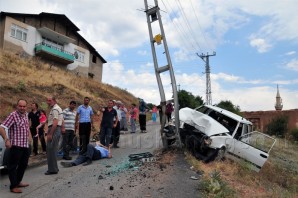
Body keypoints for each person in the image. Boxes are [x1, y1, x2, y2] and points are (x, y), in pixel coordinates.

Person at [0, 99, 30, 193]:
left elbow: (26, 127)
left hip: (25, 145)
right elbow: (2, 127)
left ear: (26, 107)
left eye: (24, 106)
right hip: (16, 146)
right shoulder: (13, 115)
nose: (22, 108)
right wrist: (6, 139)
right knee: (13, 166)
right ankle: (13, 186)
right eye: (20, 106)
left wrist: (29, 138)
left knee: (23, 165)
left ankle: (18, 181)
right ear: (17, 106)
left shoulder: (26, 114)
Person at [45, 96, 63, 175]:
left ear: (54, 101)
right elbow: (61, 120)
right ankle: (55, 168)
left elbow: (55, 122)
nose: (48, 102)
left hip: (54, 129)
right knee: (53, 149)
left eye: (50, 100)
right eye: (47, 101)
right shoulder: (57, 108)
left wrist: (50, 134)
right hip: (56, 129)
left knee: (51, 150)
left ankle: (52, 170)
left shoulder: (55, 109)